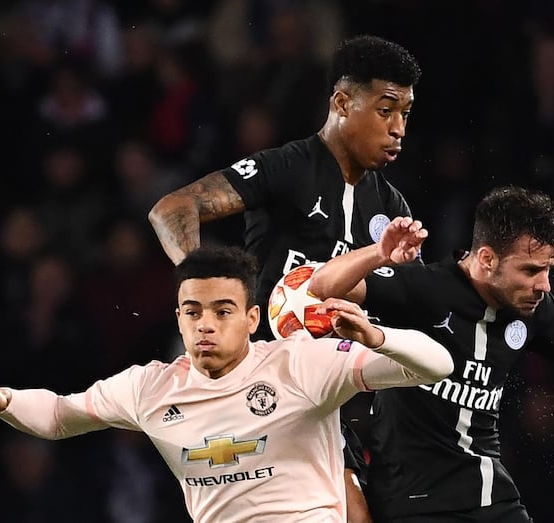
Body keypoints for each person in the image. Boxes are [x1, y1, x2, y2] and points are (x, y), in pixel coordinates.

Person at [0, 245, 453, 523]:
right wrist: (5, 400)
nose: (205, 324)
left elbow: (437, 365)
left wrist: (377, 336)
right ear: (179, 319)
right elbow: (57, 415)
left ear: (253, 318)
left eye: (222, 311)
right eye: (193, 312)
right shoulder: (151, 389)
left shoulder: (302, 365)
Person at [308, 187, 554, 522]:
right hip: (413, 500)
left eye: (548, 268)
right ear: (486, 259)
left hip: (490, 497)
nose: (544, 285)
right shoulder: (424, 290)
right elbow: (323, 286)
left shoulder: (533, 308)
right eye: (531, 270)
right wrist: (378, 254)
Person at [147, 33, 423, 519]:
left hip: (332, 396)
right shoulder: (289, 168)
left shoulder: (390, 210)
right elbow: (173, 208)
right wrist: (209, 289)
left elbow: (412, 307)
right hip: (258, 383)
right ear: (341, 102)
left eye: (405, 113)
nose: (399, 128)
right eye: (385, 111)